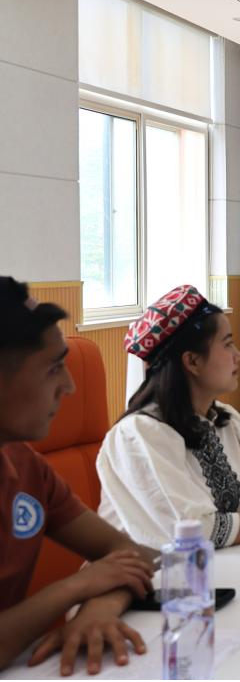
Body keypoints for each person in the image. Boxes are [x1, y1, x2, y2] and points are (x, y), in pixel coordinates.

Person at [0, 277, 155, 676]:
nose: (69, 387)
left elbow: (127, 553)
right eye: (54, 369)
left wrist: (98, 609)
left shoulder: (25, 466)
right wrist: (76, 587)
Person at [98, 286, 240, 549]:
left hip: (212, 567)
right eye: (228, 344)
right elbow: (197, 530)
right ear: (192, 362)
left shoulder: (220, 417)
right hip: (150, 572)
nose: (239, 356)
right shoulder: (138, 434)